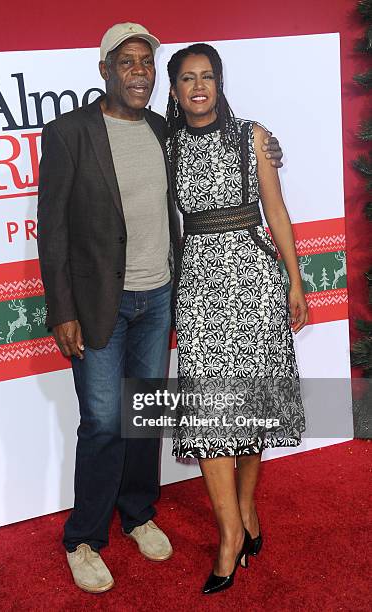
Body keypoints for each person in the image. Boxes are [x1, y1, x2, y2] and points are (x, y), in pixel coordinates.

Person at [37, 24, 284, 594]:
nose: (139, 71)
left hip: (160, 298)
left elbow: (224, 147)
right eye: (127, 62)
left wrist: (269, 146)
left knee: (143, 416)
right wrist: (61, 311)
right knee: (102, 421)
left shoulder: (160, 129)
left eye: (147, 62)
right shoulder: (69, 133)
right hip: (100, 303)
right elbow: (51, 232)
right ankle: (84, 538)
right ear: (104, 70)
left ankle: (139, 513)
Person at [166, 43, 307, 595]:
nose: (198, 87)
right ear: (174, 90)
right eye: (186, 79)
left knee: (251, 409)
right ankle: (229, 534)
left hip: (255, 280)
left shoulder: (252, 136)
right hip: (200, 288)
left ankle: (246, 508)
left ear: (220, 84)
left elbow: (276, 210)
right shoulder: (168, 144)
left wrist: (295, 281)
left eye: (207, 77)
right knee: (212, 414)